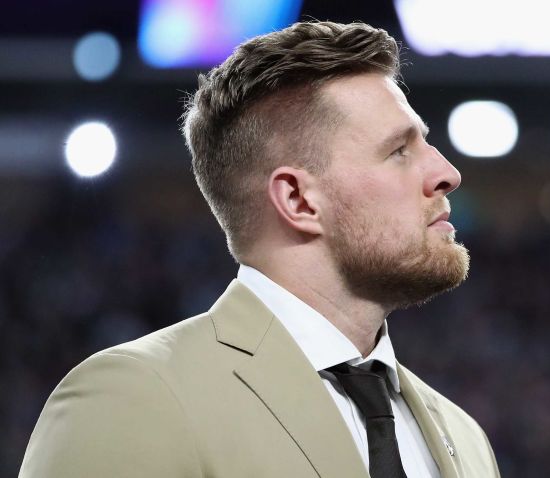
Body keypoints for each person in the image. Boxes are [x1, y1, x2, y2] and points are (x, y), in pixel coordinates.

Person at [19, 20, 500, 478]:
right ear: (297, 199)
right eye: (399, 151)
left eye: (426, 144)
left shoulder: (464, 436)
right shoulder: (133, 399)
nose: (446, 173)